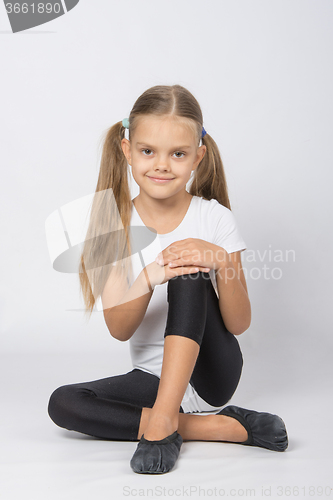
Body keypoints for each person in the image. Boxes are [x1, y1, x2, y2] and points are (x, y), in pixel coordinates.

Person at [48, 84, 288, 475]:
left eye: (178, 154)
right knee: (64, 402)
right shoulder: (115, 226)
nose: (162, 165)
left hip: (211, 375)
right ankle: (210, 427)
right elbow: (119, 329)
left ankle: (161, 425)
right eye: (148, 151)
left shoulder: (215, 218)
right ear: (127, 152)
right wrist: (147, 276)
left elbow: (239, 323)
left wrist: (221, 261)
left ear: (198, 157)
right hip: (151, 379)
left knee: (189, 274)